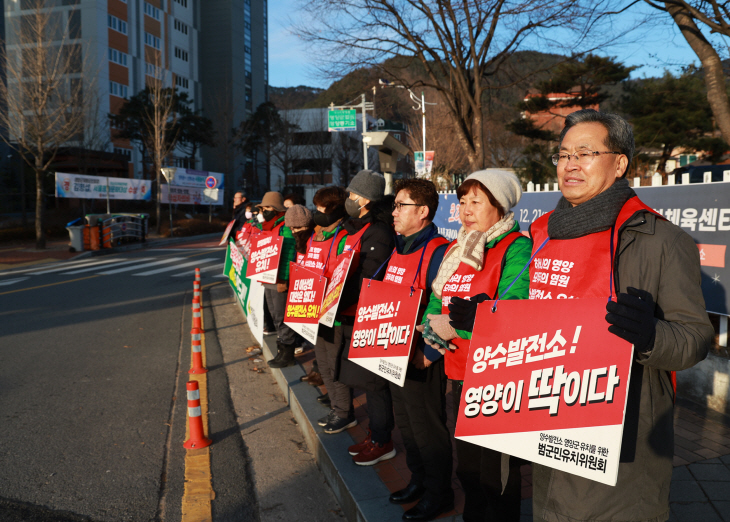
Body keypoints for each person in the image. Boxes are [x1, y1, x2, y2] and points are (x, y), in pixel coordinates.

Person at [527, 109, 712, 522]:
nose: (570, 164)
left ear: (620, 163)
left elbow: (696, 336)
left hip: (622, 440)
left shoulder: (659, 238)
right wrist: (488, 322)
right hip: (547, 425)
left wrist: (650, 337)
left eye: (586, 152)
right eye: (562, 154)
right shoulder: (542, 234)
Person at [420, 169, 532, 522]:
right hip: (459, 369)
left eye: (476, 201)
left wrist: (458, 327)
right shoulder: (462, 246)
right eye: (462, 201)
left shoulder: (516, 247)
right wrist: (431, 330)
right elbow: (439, 299)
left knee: (495, 473)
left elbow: (515, 305)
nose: (466, 209)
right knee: (467, 466)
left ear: (499, 206)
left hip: (497, 374)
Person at [366, 178, 451, 521]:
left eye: (401, 206)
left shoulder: (439, 250)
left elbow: (445, 306)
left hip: (420, 357)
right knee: (407, 423)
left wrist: (429, 353)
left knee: (428, 427)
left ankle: (439, 493)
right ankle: (418, 480)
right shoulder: (399, 248)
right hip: (393, 356)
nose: (394, 212)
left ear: (423, 212)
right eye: (396, 205)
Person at [334, 171, 396, 442]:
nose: (349, 199)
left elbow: (368, 279)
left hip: (368, 316)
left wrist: (336, 300)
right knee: (368, 383)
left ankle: (381, 439)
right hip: (353, 313)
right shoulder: (360, 228)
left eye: (352, 195)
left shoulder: (378, 232)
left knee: (375, 385)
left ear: (366, 199)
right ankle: (376, 435)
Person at [304, 188, 351, 417]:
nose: (318, 212)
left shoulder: (344, 237)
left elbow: (343, 273)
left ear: (335, 210)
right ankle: (334, 403)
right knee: (322, 362)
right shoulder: (317, 234)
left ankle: (343, 411)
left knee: (334, 365)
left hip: (333, 310)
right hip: (314, 308)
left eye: (322, 208)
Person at [254, 191, 298, 368]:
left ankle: (287, 353)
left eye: (268, 207)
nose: (265, 211)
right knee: (274, 314)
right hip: (268, 277)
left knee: (282, 315)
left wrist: (284, 280)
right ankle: (281, 349)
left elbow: (288, 255)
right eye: (263, 208)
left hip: (279, 279)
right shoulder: (267, 226)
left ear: (277, 209)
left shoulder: (284, 226)